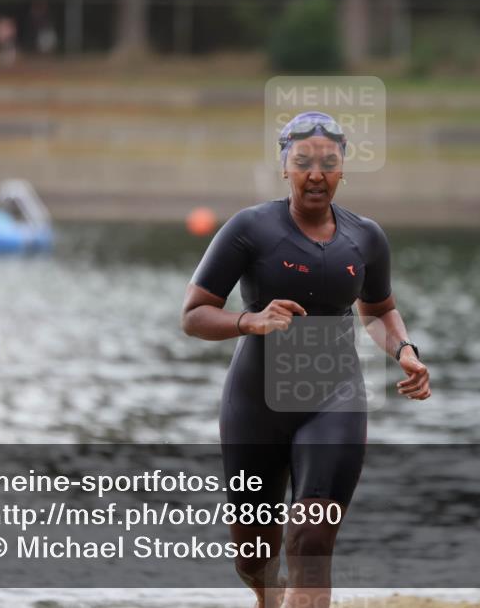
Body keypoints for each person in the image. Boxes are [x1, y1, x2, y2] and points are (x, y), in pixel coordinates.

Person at [181, 111, 430, 608]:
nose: (316, 172)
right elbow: (193, 315)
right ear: (284, 167)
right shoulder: (249, 229)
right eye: (303, 161)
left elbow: (379, 310)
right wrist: (246, 321)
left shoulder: (367, 238)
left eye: (329, 162)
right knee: (253, 555)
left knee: (312, 539)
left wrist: (404, 350)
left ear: (342, 170)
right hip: (255, 403)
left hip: (333, 396)